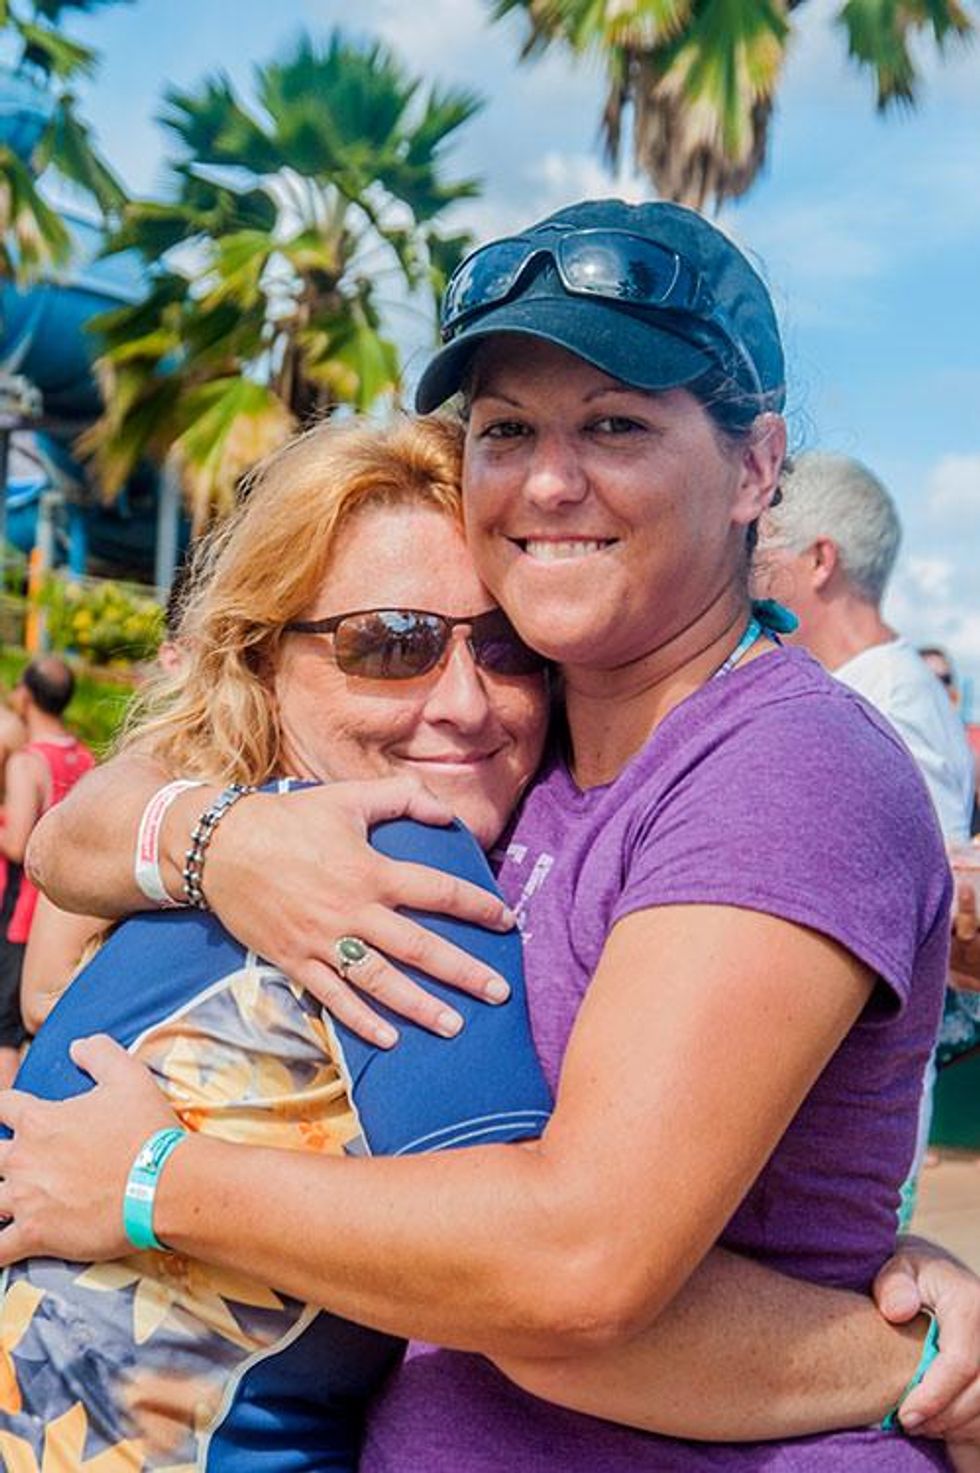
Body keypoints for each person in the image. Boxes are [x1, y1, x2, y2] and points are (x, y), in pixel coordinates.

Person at [6, 201, 980, 1469]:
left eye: (615, 425)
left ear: (754, 470)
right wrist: (220, 837)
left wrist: (150, 1183)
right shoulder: (539, 747)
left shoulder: (776, 763)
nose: (549, 482)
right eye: (508, 429)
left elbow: (574, 1267)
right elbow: (76, 844)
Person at [756, 453, 979, 1158]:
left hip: (848, 1132)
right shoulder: (880, 688)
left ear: (820, 560)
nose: (747, 569)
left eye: (765, 546)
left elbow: (933, 914)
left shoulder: (887, 701)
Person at [0, 657, 94, 1085]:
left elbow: (18, 844)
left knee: (4, 1030)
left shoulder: (27, 763)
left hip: (23, 911)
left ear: (26, 695)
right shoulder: (83, 756)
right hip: (68, 908)